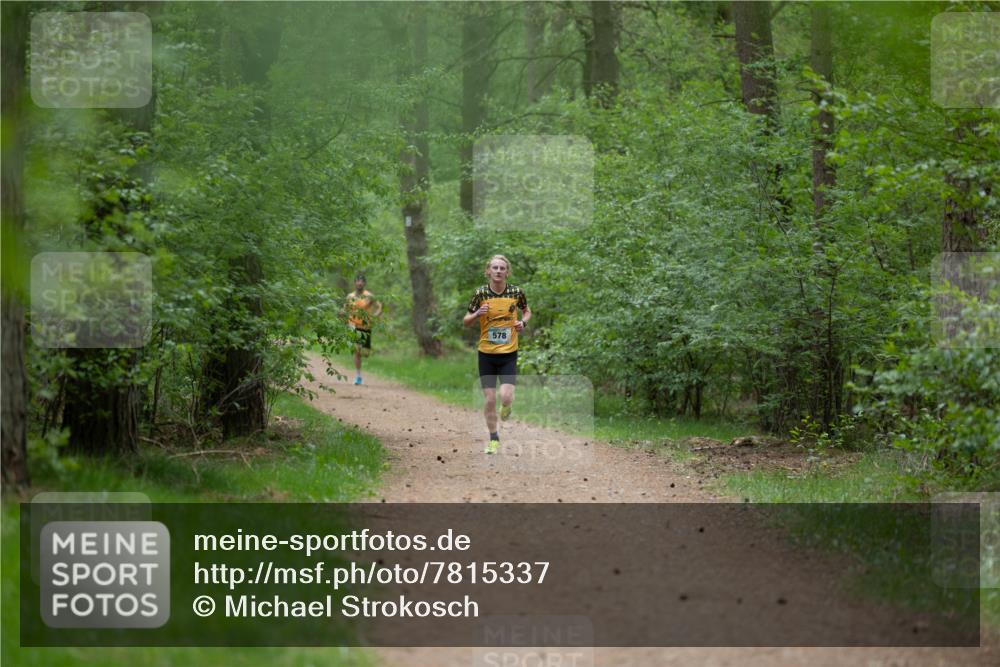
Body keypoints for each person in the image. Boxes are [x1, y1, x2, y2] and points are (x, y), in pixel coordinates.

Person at [462, 255, 531, 454]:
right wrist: (477, 314)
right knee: (490, 399)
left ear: (507, 272)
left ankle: (507, 407)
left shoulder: (516, 292)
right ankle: (493, 438)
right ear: (488, 271)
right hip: (486, 353)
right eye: (495, 267)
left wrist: (523, 323)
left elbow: (527, 311)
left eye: (502, 268)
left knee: (506, 397)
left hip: (509, 352)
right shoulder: (481, 294)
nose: (498, 271)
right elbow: (466, 320)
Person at [345, 274, 382, 385]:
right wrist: (344, 318)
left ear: (364, 283)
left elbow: (379, 306)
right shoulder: (350, 296)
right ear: (354, 283)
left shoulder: (369, 296)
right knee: (356, 350)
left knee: (364, 353)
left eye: (361, 281)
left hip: (365, 326)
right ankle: (358, 376)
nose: (359, 283)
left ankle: (364, 351)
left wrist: (375, 316)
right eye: (358, 281)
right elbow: (345, 309)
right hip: (353, 325)